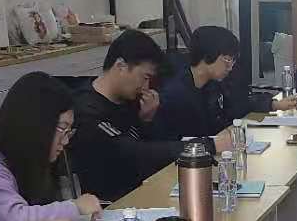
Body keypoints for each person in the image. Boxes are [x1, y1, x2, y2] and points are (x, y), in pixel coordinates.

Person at [67, 29, 231, 202]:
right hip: (114, 203)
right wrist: (207, 146)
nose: (146, 87)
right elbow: (138, 153)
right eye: (145, 77)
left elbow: (158, 144)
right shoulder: (86, 111)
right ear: (121, 66)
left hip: (149, 187)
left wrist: (147, 119)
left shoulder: (131, 99)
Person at [0, 71, 102, 221]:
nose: (66, 141)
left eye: (69, 131)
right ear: (34, 125)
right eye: (62, 128)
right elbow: (17, 220)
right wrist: (75, 207)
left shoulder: (27, 162)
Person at [155, 25, 297, 140]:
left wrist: (274, 104)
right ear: (207, 56)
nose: (230, 67)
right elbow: (180, 141)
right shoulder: (176, 94)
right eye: (227, 60)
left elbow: (237, 106)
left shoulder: (213, 84)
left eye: (233, 60)